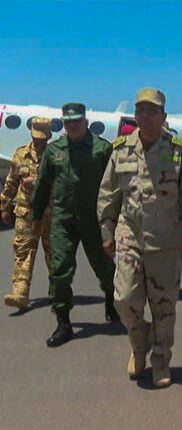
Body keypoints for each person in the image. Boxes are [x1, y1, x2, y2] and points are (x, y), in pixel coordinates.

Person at [98, 87, 182, 388]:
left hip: (166, 241)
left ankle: (160, 361)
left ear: (163, 116)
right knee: (124, 300)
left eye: (152, 110)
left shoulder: (179, 151)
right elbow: (108, 194)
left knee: (164, 308)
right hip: (130, 237)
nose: (145, 115)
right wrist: (107, 232)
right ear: (135, 115)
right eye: (141, 110)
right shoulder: (121, 149)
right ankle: (139, 345)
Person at [31, 103, 118, 347]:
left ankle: (111, 300)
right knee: (59, 270)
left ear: (85, 122)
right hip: (64, 220)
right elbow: (42, 185)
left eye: (77, 121)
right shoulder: (54, 151)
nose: (72, 125)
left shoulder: (102, 149)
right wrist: (36, 217)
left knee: (105, 268)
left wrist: (116, 219)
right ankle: (63, 322)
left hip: (95, 220)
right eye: (68, 122)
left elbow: (115, 186)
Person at [1, 117, 54, 311]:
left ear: (49, 136)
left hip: (50, 214)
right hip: (26, 212)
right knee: (23, 252)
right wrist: (4, 205)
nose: (39, 141)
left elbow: (64, 184)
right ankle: (20, 294)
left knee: (54, 255)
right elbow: (11, 183)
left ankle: (58, 292)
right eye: (36, 137)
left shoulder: (56, 156)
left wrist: (37, 181)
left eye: (43, 138)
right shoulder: (20, 154)